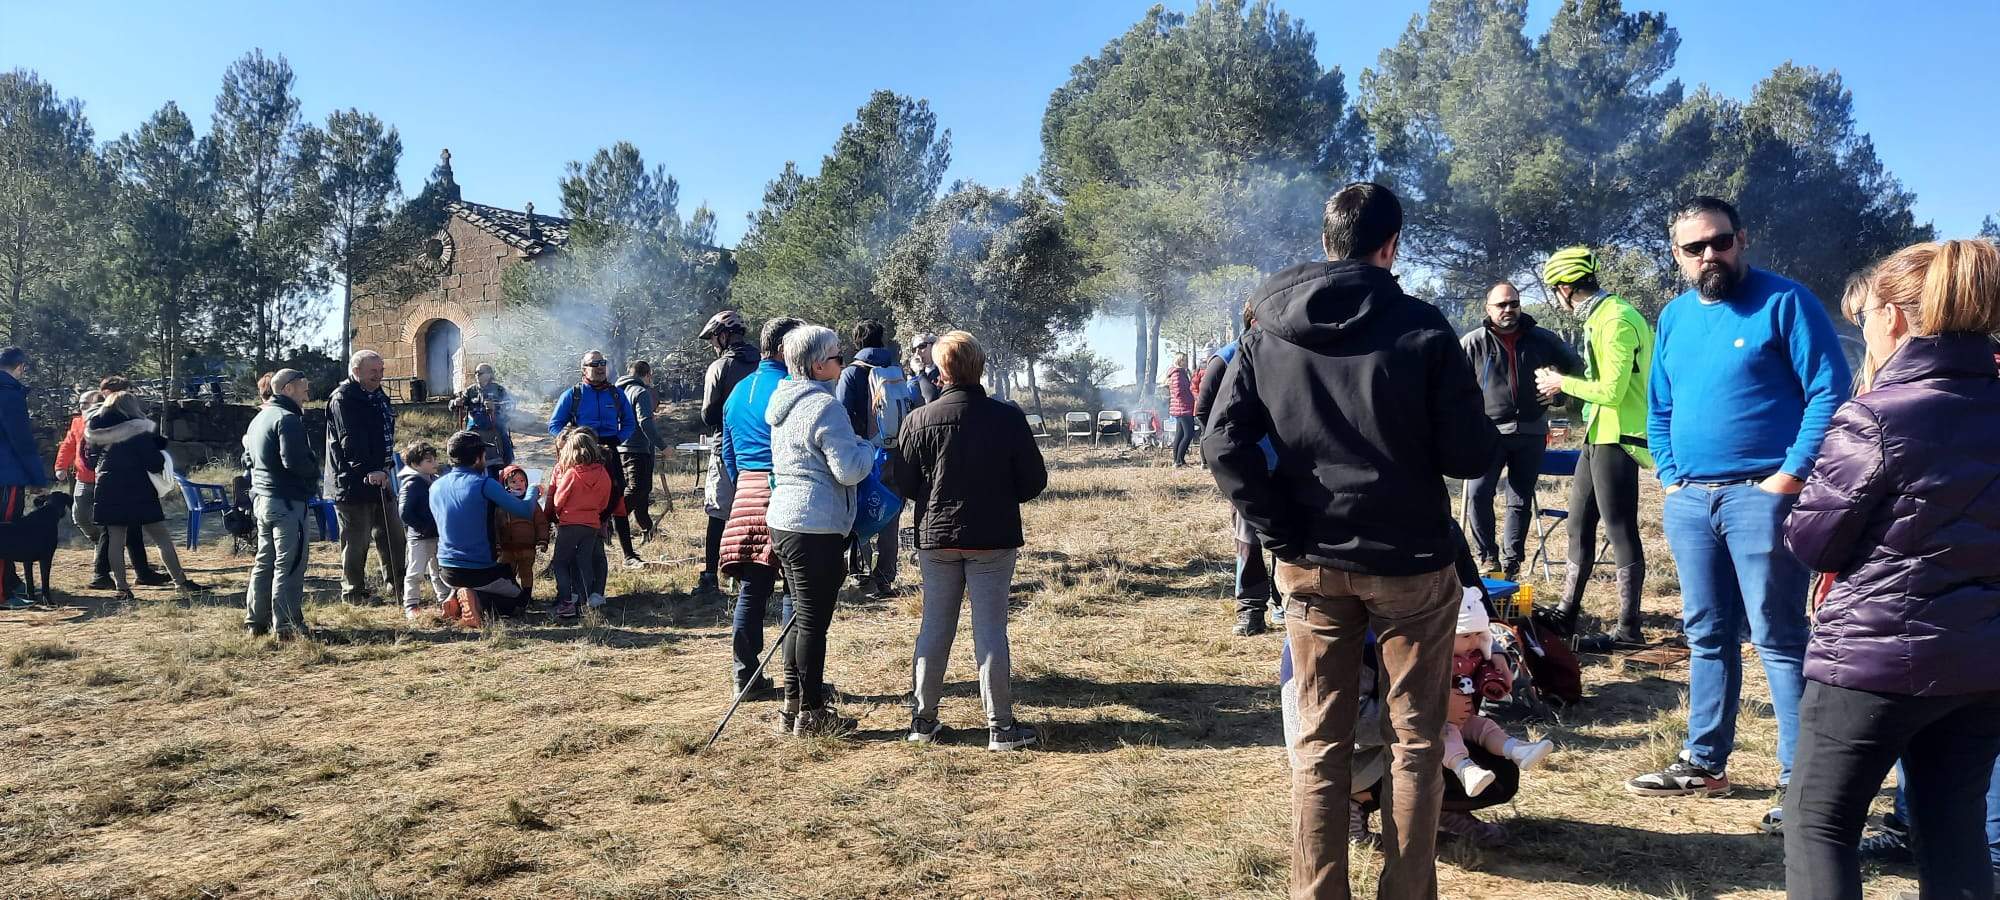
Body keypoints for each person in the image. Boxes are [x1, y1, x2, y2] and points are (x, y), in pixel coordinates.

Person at [1204, 182, 1497, 898]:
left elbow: (1221, 444)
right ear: (1391, 247)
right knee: (1416, 742)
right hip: (1411, 564)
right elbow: (1469, 454)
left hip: (1313, 565)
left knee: (1319, 743)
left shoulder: (1266, 331)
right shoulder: (1424, 328)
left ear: (1326, 241)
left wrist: (1279, 531)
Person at [1778, 239, 2000, 899]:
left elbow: (1815, 542)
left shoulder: (1875, 416)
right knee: (1954, 825)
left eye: (1866, 313)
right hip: (1983, 660)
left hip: (1874, 658)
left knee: (1818, 823)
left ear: (1894, 317)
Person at [1630, 197, 1851, 834]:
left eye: (1720, 241)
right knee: (1705, 633)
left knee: (1778, 637)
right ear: (1677, 255)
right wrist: (1670, 477)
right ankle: (1704, 761)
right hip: (1690, 500)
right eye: (1694, 247)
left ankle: (1801, 782)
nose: (1710, 255)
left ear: (1741, 239)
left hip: (1764, 497)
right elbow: (1659, 407)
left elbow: (1828, 392)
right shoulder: (1674, 316)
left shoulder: (1786, 302)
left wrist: (1789, 476)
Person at [889, 331, 1048, 751]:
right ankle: (1001, 727)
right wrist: (1001, 495)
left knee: (934, 627)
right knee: (990, 629)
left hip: (937, 536)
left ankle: (922, 721)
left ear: (941, 371)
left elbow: (902, 481)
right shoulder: (1007, 417)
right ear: (980, 367)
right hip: (992, 536)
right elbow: (1034, 480)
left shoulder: (918, 419)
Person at [1530, 247, 1654, 649]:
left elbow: (1613, 392)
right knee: (1578, 524)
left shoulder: (1616, 319)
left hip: (1619, 435)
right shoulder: (1598, 317)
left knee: (1619, 529)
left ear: (1566, 287)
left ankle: (1628, 630)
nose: (1556, 298)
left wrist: (1561, 383)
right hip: (1597, 433)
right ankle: (1566, 614)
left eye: (1555, 290)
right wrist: (1564, 391)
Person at [766, 324, 876, 736]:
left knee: (798, 618)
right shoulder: (825, 407)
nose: (842, 362)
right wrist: (868, 447)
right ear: (817, 365)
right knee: (813, 623)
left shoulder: (783, 400)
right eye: (836, 356)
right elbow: (848, 471)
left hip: (785, 520)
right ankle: (812, 714)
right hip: (815, 524)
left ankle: (792, 707)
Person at [1462, 282, 1582, 580]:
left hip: (1531, 432)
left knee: (1519, 499)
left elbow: (1578, 369)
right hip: (1486, 433)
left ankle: (1512, 563)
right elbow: (1450, 384)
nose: (1508, 309)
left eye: (1513, 303)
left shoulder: (1543, 339)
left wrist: (1559, 394)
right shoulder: (1473, 342)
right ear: (1488, 308)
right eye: (1501, 305)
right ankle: (1487, 558)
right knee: (1478, 494)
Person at [719, 316, 802, 696]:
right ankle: (796, 679)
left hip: (746, 493)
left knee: (752, 588)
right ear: (785, 349)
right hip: (783, 487)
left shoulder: (738, 390)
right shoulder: (790, 387)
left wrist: (744, 484)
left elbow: (728, 453)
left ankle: (744, 675)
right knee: (794, 588)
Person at [1196, 304, 1283, 637]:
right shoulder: (1226, 358)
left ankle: (1284, 604)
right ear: (1254, 321)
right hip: (1247, 467)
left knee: (1290, 535)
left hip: (1290, 463)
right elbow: (1204, 411)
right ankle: (1251, 609)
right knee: (1248, 539)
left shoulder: (1288, 353)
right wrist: (1231, 453)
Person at [84, 390, 203, 601]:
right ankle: (180, 581)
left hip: (108, 487)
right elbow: (154, 463)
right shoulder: (139, 429)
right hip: (138, 488)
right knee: (161, 537)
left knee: (115, 539)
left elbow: (90, 461)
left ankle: (122, 588)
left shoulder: (94, 430)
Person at [1442, 591, 1552, 798]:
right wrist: (1439, 704)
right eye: (1466, 636)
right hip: (1437, 723)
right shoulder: (1435, 660)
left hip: (1465, 717)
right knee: (1448, 736)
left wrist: (1493, 679)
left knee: (1486, 727)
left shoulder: (1473, 654)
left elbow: (1484, 672)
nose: (1474, 641)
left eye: (1479, 634)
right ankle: (1464, 769)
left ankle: (1517, 749)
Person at [58, 388, 166, 591]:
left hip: (107, 483)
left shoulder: (107, 422)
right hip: (90, 481)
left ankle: (122, 573)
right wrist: (60, 466)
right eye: (80, 404)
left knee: (121, 530)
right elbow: (70, 445)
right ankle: (115, 569)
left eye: (85, 404)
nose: (82, 408)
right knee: (87, 521)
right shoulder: (80, 422)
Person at [547, 350, 633, 598]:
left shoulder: (616, 394)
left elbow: (630, 422)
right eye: (594, 364)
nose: (600, 367)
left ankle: (625, 550)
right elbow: (554, 425)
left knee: (615, 497)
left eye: (603, 363)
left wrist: (618, 439)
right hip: (581, 454)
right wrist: (570, 441)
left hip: (609, 451)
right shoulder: (572, 395)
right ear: (583, 368)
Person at [325, 349, 405, 606]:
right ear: (356, 371)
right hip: (352, 482)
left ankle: (398, 587)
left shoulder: (378, 395)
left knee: (393, 536)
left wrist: (384, 469)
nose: (379, 376)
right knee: (356, 541)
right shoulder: (343, 398)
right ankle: (353, 593)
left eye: (381, 371)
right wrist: (369, 470)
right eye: (373, 371)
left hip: (382, 478)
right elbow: (350, 441)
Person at [432, 431, 542, 616]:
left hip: (445, 569)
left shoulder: (436, 486)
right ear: (478, 458)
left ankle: (456, 595)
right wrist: (532, 491)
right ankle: (475, 600)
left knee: (504, 570)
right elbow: (524, 510)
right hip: (479, 570)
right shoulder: (484, 484)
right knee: (520, 602)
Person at [242, 368, 317, 637]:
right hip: (287, 502)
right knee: (290, 563)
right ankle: (286, 625)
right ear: (288, 388)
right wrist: (314, 471)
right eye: (303, 386)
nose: (307, 393)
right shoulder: (287, 419)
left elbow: (248, 460)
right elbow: (294, 462)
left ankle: (256, 622)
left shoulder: (259, 418)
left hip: (263, 500)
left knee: (265, 562)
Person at [835, 319, 905, 598]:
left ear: (857, 342)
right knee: (890, 513)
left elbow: (841, 414)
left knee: (857, 510)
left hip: (862, 450)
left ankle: (861, 573)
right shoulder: (895, 370)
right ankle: (885, 577)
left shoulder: (851, 373)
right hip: (894, 449)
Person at [698, 310, 758, 594]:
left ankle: (711, 575)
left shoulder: (720, 366)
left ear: (723, 336)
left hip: (726, 448)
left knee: (719, 512)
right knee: (755, 513)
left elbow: (708, 415)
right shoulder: (763, 363)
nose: (713, 344)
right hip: (759, 451)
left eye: (713, 338)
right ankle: (755, 572)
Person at [0, 346, 49, 606]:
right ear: (21, 367)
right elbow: (21, 440)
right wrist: (37, 479)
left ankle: (11, 582)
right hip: (6, 475)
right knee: (5, 534)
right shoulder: (9, 393)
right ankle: (3, 594)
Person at [549, 429, 613, 619]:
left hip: (569, 523)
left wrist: (559, 514)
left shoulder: (572, 473)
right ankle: (584, 602)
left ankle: (566, 601)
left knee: (560, 562)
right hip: (592, 524)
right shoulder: (602, 472)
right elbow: (604, 501)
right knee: (584, 562)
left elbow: (558, 500)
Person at [613, 360, 664, 568]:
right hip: (637, 449)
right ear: (648, 374)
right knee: (636, 490)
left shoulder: (617, 391)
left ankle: (648, 530)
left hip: (620, 449)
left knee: (642, 493)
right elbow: (644, 422)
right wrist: (663, 446)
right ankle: (611, 519)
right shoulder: (641, 392)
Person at [396, 440, 451, 621]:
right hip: (420, 537)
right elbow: (405, 513)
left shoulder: (433, 480)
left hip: (436, 533)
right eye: (429, 461)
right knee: (415, 571)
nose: (435, 463)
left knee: (438, 570)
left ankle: (445, 600)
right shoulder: (412, 484)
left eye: (434, 459)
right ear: (415, 464)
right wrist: (423, 527)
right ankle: (411, 604)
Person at [493, 465, 546, 607]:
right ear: (506, 485)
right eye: (513, 481)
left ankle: (527, 596)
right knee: (507, 574)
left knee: (526, 573)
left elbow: (541, 523)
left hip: (527, 547)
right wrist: (497, 544)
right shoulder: (502, 504)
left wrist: (542, 540)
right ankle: (514, 596)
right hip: (507, 547)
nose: (519, 484)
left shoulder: (532, 503)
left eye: (522, 481)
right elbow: (496, 525)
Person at [452, 363, 514, 474]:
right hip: (474, 426)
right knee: (464, 442)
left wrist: (496, 406)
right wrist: (455, 403)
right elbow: (454, 406)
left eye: (480, 373)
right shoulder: (470, 391)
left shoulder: (498, 389)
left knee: (504, 439)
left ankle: (507, 464)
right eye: (476, 372)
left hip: (495, 424)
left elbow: (510, 405)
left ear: (489, 375)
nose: (477, 375)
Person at [1164, 351, 1198, 468]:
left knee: (1180, 434)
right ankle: (1179, 460)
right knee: (1189, 434)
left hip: (1181, 408)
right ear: (1179, 361)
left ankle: (1178, 460)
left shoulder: (1181, 373)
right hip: (1183, 408)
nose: (1186, 362)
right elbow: (1178, 392)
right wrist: (1190, 394)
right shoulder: (1177, 374)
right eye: (1184, 360)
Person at [908, 332, 942, 404]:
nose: (917, 352)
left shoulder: (944, 369)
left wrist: (920, 372)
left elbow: (931, 398)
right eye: (914, 349)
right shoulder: (913, 375)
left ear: (934, 345)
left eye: (922, 346)